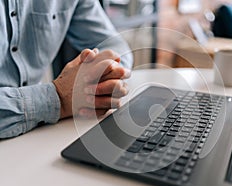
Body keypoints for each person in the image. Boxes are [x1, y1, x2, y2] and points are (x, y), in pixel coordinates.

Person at [0, 0, 133, 138]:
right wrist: (57, 97)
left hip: (38, 133)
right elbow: (59, 97)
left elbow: (113, 44)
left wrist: (103, 76)